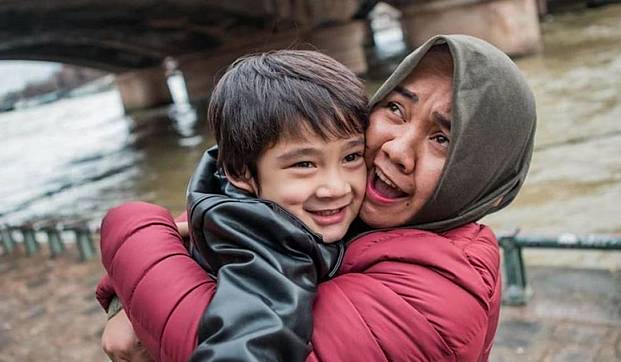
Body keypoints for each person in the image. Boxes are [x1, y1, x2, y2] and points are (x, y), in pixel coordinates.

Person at [98, 34, 536, 361]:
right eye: (397, 109)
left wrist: (133, 229)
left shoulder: (443, 294)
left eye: (442, 138)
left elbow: (211, 337)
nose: (397, 150)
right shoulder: (353, 209)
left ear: (483, 167)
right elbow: (225, 226)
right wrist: (125, 295)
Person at [98, 49, 370, 361]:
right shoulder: (266, 245)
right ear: (240, 172)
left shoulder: (232, 204)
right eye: (305, 164)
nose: (336, 187)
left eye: (351, 157)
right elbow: (253, 335)